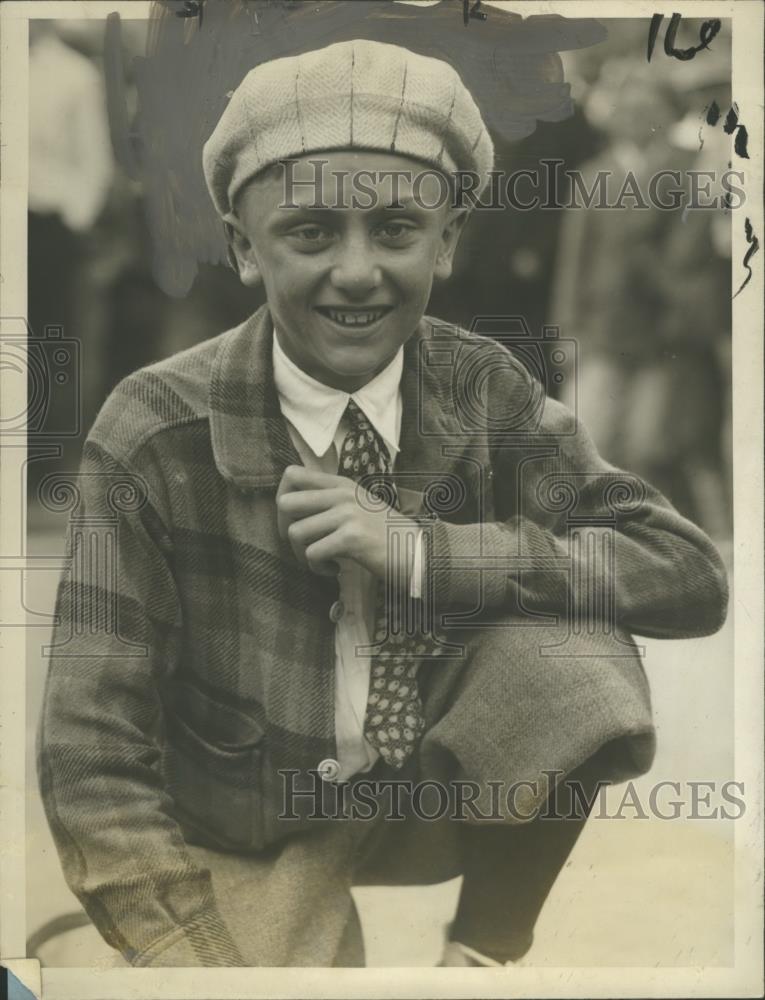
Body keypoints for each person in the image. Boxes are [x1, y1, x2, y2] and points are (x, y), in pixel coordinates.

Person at [37, 40, 728, 969]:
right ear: (242, 248)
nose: (358, 271)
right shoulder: (154, 426)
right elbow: (90, 750)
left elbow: (686, 573)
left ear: (447, 241)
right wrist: (181, 949)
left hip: (423, 793)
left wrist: (426, 551)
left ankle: (480, 955)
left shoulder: (479, 384)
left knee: (575, 649)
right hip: (243, 813)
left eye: (397, 230)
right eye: (309, 233)